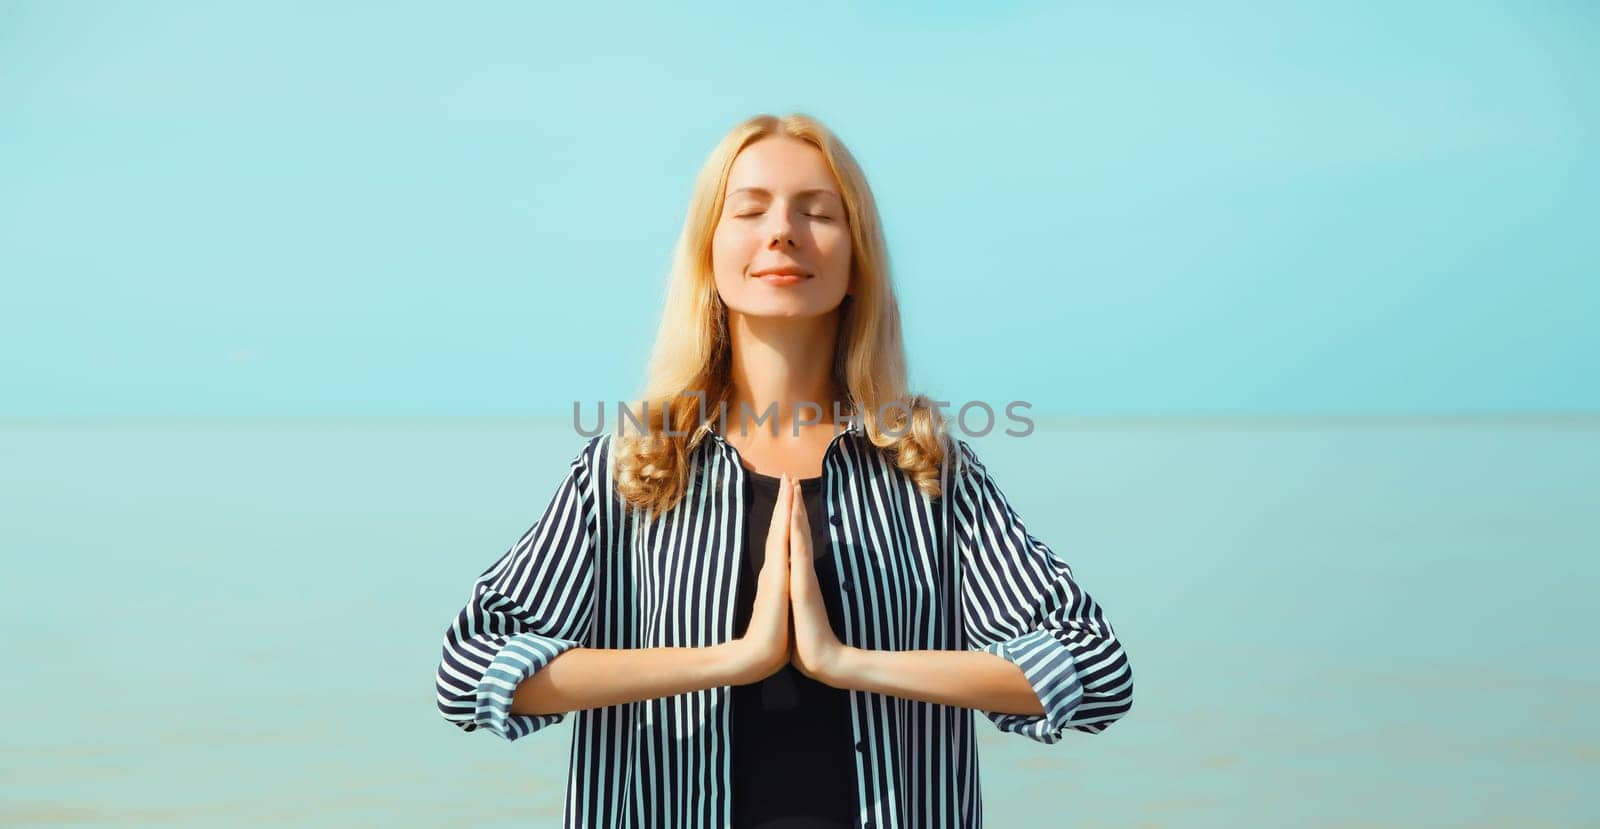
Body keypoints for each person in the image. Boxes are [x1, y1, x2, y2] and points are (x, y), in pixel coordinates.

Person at [434, 113, 1134, 829]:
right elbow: (470, 670)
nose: (782, 231)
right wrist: (730, 660)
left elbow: (1095, 671)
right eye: (750, 208)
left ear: (858, 256)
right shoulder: (631, 468)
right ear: (708, 251)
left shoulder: (926, 468)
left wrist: (847, 662)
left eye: (818, 212)